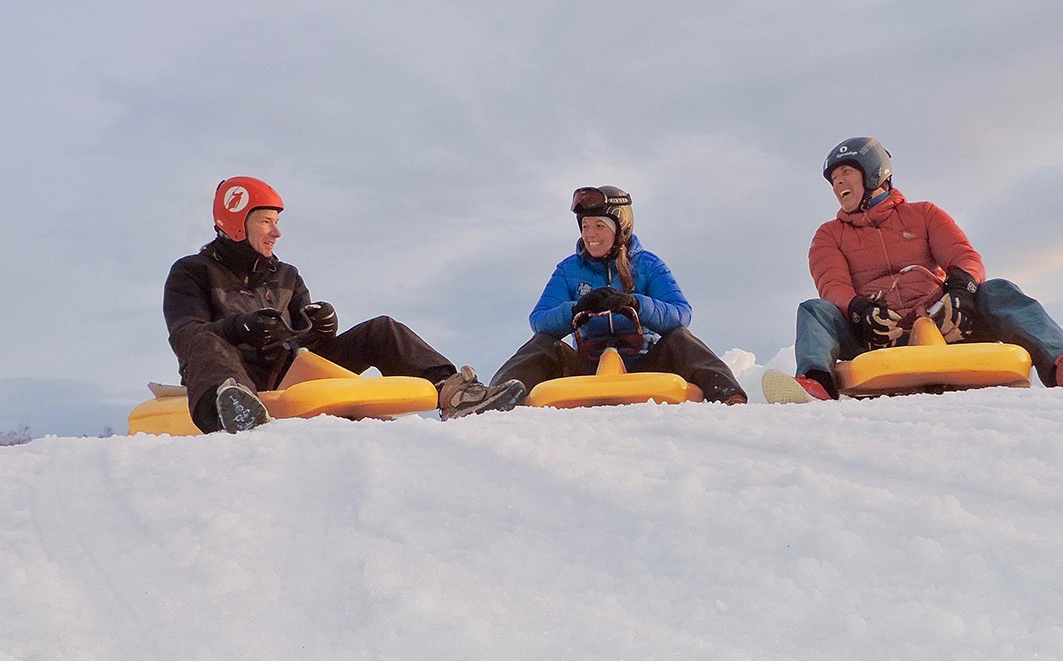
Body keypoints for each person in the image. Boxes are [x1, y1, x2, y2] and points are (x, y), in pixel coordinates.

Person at [163, 176, 525, 433]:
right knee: (201, 337)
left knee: (382, 328)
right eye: (267, 222)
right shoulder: (191, 273)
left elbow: (310, 343)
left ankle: (456, 393)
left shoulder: (285, 274)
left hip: (288, 369)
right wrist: (238, 328)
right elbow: (185, 335)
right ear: (237, 223)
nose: (277, 232)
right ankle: (235, 408)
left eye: (278, 222)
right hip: (232, 373)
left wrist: (320, 327)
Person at [763, 137, 1063, 403]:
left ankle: (1061, 365)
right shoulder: (828, 235)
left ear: (873, 173)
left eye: (846, 174)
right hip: (876, 333)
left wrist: (961, 293)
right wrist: (860, 311)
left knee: (999, 290)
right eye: (834, 180)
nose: (838, 185)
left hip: (945, 322)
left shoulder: (924, 214)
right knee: (814, 310)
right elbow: (832, 284)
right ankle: (815, 384)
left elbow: (963, 256)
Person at [489, 185, 747, 405]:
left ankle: (728, 395)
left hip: (644, 362)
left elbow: (681, 313)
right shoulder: (568, 270)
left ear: (620, 228)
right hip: (587, 367)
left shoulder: (648, 265)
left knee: (679, 339)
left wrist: (637, 304)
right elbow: (539, 320)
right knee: (543, 345)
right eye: (586, 226)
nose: (590, 234)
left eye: (599, 226)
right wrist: (575, 309)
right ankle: (494, 397)